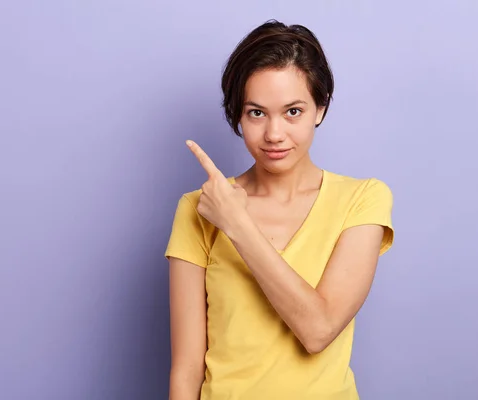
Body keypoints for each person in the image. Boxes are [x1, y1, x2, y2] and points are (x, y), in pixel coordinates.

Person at [165, 20, 394, 400]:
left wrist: (238, 225)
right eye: (256, 113)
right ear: (237, 113)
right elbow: (186, 370)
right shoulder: (198, 208)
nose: (274, 134)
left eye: (293, 111)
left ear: (320, 109)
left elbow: (318, 330)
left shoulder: (362, 199)